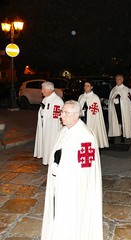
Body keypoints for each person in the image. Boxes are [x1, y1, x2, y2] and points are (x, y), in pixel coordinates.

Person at [41, 100, 103, 240]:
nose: (61, 115)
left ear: (76, 115)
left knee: (71, 213)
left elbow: (86, 170)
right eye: (62, 112)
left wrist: (68, 178)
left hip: (73, 186)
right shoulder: (64, 130)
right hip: (60, 181)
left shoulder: (85, 136)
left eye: (65, 113)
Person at [34, 81, 64, 165]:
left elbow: (57, 118)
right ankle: (46, 158)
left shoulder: (57, 101)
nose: (41, 91)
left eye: (43, 89)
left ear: (50, 90)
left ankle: (51, 160)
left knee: (50, 143)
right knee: (45, 143)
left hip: (52, 129)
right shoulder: (45, 99)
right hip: (45, 126)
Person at [78, 80, 109, 149]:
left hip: (92, 120)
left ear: (91, 87)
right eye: (85, 86)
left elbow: (96, 111)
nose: (86, 87)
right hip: (82, 119)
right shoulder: (81, 97)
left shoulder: (95, 97)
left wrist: (88, 112)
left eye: (88, 86)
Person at [108, 74, 131, 144]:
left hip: (122, 109)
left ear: (122, 80)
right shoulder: (113, 89)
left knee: (122, 122)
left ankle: (122, 136)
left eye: (118, 79)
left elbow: (128, 100)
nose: (117, 81)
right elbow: (110, 99)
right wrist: (113, 100)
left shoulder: (126, 89)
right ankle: (112, 138)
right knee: (113, 122)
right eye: (116, 79)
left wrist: (120, 100)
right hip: (114, 109)